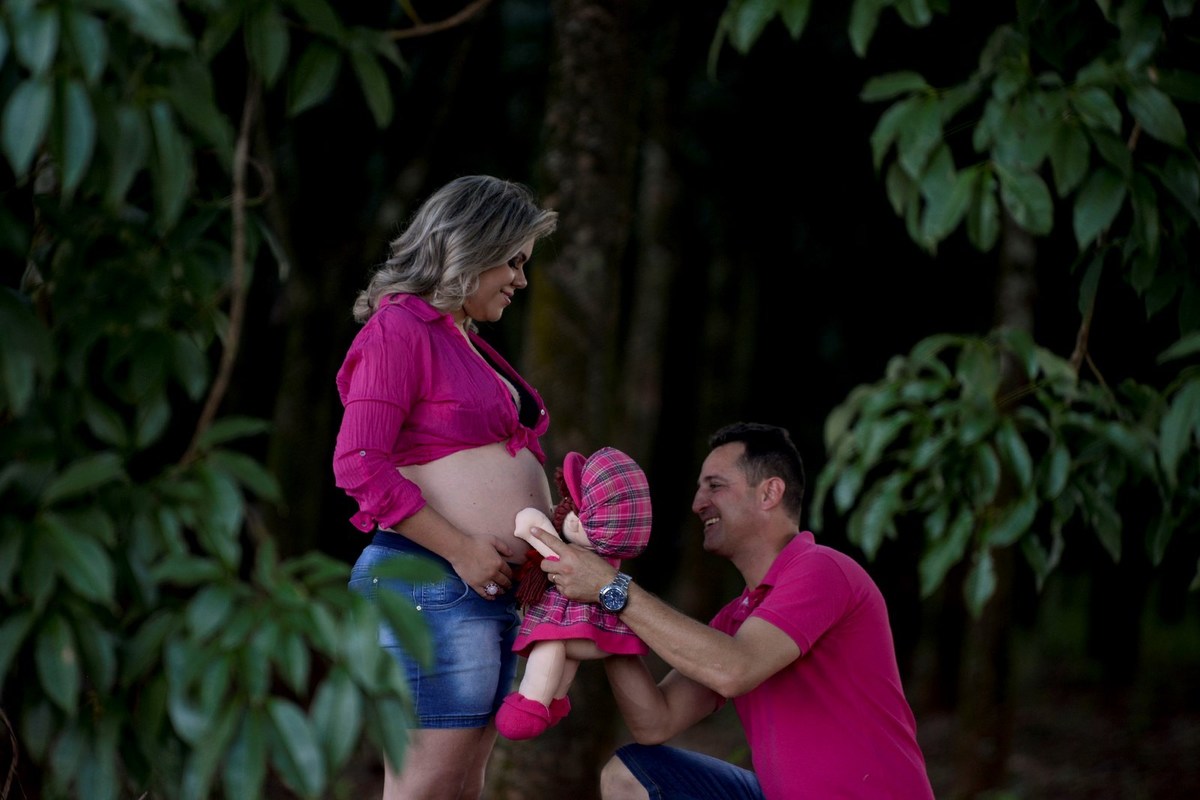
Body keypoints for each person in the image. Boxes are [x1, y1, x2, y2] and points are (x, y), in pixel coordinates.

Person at [528, 422, 935, 799]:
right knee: (629, 775)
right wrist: (602, 605)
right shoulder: (738, 616)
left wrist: (611, 587)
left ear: (769, 493)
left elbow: (735, 669)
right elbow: (656, 721)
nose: (697, 503)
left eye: (715, 486)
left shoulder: (822, 570)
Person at [333, 175, 558, 799]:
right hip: (431, 581)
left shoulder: (463, 339)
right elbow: (358, 462)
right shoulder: (400, 328)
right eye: (514, 262)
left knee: (461, 786)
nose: (521, 280)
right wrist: (461, 549)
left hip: (482, 589)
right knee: (425, 786)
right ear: (473, 246)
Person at [496, 447, 653, 740]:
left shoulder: (585, 559)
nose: (569, 514)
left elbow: (546, 545)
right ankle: (554, 701)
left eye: (579, 512)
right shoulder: (608, 559)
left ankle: (530, 704)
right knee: (565, 657)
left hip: (573, 622)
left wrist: (536, 527)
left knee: (551, 644)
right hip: (593, 629)